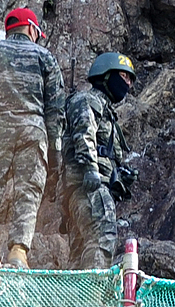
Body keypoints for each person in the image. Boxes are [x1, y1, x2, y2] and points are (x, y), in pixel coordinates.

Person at [0, 7, 66, 268]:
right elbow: (55, 108)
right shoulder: (45, 57)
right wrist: (55, 149)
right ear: (31, 29)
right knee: (27, 192)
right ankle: (18, 253)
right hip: (33, 131)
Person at [62, 52, 138, 268]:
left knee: (79, 255)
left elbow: (104, 151)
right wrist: (90, 170)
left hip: (85, 185)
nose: (128, 84)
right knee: (102, 237)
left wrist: (120, 176)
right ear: (106, 75)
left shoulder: (105, 110)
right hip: (88, 184)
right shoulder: (88, 100)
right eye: (124, 76)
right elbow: (83, 134)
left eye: (130, 79)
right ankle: (93, 295)